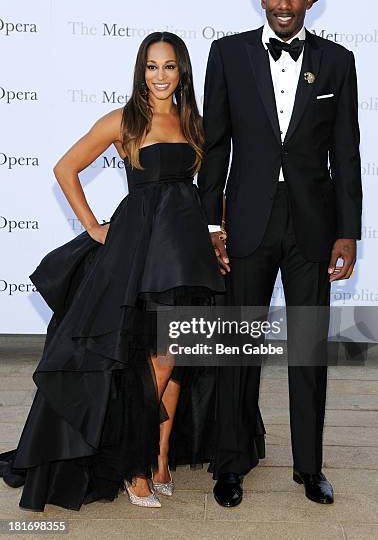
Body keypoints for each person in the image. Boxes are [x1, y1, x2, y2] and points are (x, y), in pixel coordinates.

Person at [0, 32, 225, 511]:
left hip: (184, 251)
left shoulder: (193, 121)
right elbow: (66, 168)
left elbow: (204, 190)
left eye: (168, 66)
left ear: (181, 71)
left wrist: (214, 234)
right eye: (151, 66)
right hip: (140, 250)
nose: (160, 76)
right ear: (140, 71)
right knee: (152, 360)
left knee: (176, 356)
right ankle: (135, 465)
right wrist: (93, 226)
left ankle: (161, 458)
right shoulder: (125, 120)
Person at [198, 0, 362, 507]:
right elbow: (216, 145)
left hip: (313, 229)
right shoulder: (228, 54)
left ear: (310, 0)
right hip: (245, 223)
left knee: (308, 349)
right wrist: (212, 226)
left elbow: (347, 153)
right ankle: (230, 464)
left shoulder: (338, 62)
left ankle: (309, 468)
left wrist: (349, 231)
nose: (284, 3)